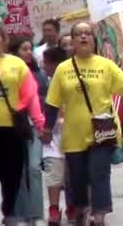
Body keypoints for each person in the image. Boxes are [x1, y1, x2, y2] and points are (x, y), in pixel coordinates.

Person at [43, 22, 123, 226]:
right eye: (79, 34)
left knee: (99, 173)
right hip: (73, 136)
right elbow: (52, 103)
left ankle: (99, 214)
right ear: (73, 42)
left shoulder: (105, 65)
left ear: (94, 40)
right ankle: (81, 209)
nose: (83, 37)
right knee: (76, 179)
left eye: (87, 34)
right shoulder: (63, 69)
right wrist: (48, 129)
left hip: (101, 133)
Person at [0, 24, 46, 226]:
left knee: (12, 177)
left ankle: (9, 213)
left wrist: (40, 124)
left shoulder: (17, 64)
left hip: (13, 130)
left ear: (4, 40)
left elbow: (31, 96)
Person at [9, 37, 48, 225]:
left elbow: (44, 98)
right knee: (19, 170)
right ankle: (22, 213)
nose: (27, 52)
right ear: (15, 51)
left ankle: (35, 213)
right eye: (23, 49)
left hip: (34, 126)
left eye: (29, 49)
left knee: (34, 168)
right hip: (14, 126)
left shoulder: (38, 74)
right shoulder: (7, 72)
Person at [40, 46, 75, 225]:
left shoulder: (72, 80)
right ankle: (54, 209)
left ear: (56, 65)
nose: (43, 65)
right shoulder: (44, 82)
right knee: (53, 174)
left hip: (73, 134)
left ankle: (72, 206)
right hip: (52, 137)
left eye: (46, 63)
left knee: (71, 174)